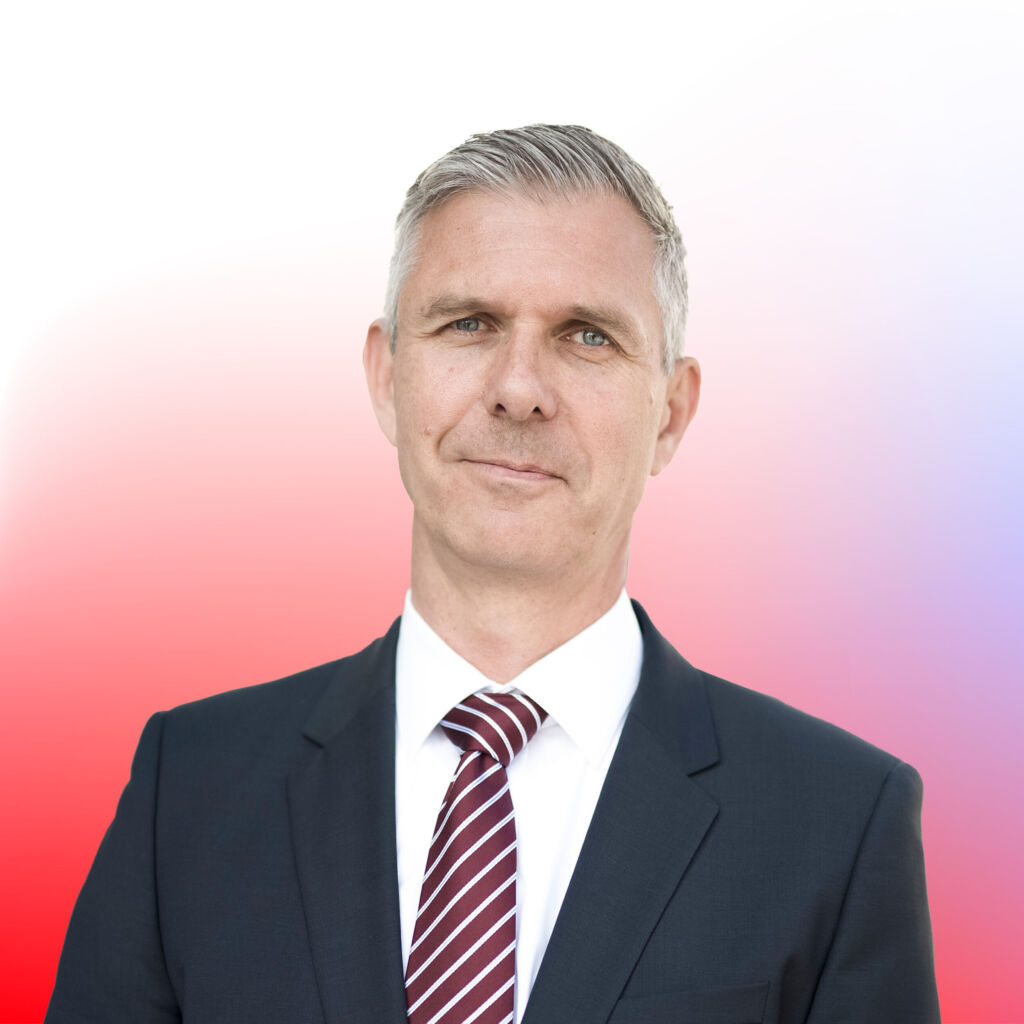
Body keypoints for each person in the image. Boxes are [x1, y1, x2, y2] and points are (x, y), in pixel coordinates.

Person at [46, 125, 940, 1024]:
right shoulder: (189, 790)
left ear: (670, 414)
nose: (519, 389)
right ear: (387, 376)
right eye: (468, 324)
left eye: (588, 336)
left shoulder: (838, 822)